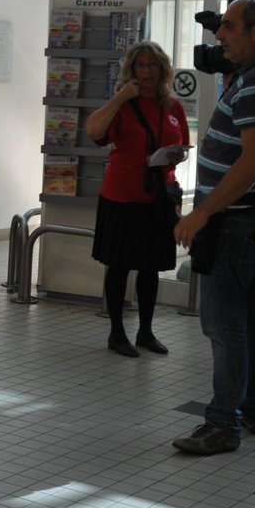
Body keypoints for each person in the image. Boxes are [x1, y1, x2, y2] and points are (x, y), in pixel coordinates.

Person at [172, 0, 255, 455]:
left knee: (224, 327)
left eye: (228, 26)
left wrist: (202, 211)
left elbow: (252, 161)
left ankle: (223, 423)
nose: (219, 35)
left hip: (234, 224)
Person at [84, 41, 190, 356]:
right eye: (140, 65)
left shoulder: (173, 107)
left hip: (159, 196)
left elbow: (182, 146)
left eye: (153, 65)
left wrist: (173, 157)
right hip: (122, 195)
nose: (147, 71)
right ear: (131, 71)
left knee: (151, 266)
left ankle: (146, 331)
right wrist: (120, 97)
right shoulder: (124, 104)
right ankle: (117, 333)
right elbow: (93, 131)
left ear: (163, 70)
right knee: (119, 266)